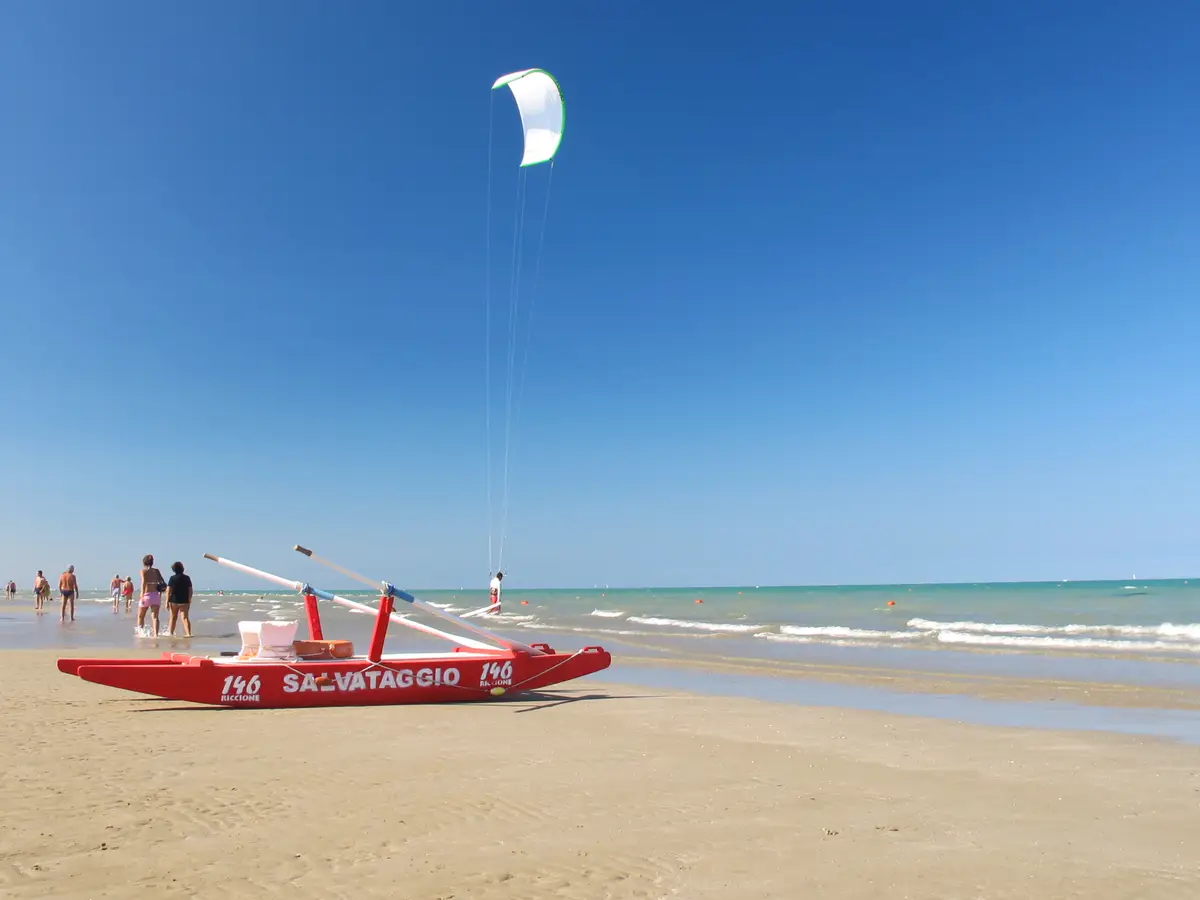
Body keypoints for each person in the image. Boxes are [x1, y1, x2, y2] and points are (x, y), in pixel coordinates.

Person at [139, 554, 167, 635]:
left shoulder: (143, 571)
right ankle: (156, 635)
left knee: (141, 616)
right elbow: (162, 582)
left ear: (144, 562)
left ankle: (140, 633)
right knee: (155, 617)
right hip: (155, 595)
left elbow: (144, 582)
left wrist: (142, 594)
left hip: (146, 595)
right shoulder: (157, 571)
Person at [165, 561, 193, 637]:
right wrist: (189, 599)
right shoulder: (187, 578)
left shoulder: (172, 578)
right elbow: (190, 590)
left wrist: (166, 602)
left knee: (173, 618)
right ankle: (188, 633)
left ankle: (170, 633)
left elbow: (168, 590)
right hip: (184, 601)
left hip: (173, 601)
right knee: (185, 618)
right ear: (182, 569)